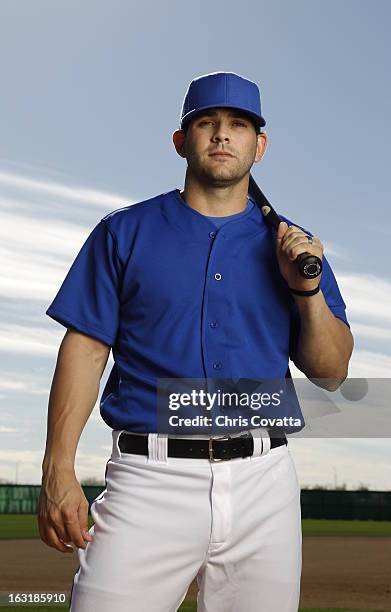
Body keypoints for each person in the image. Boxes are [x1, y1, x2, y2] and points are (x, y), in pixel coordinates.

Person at [38, 71, 354, 612]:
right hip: (148, 479)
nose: (223, 135)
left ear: (261, 145)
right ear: (181, 142)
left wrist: (306, 289)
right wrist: (57, 466)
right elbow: (86, 351)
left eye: (239, 125)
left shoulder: (294, 246)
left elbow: (330, 371)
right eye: (207, 123)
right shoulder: (124, 231)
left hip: (264, 480)